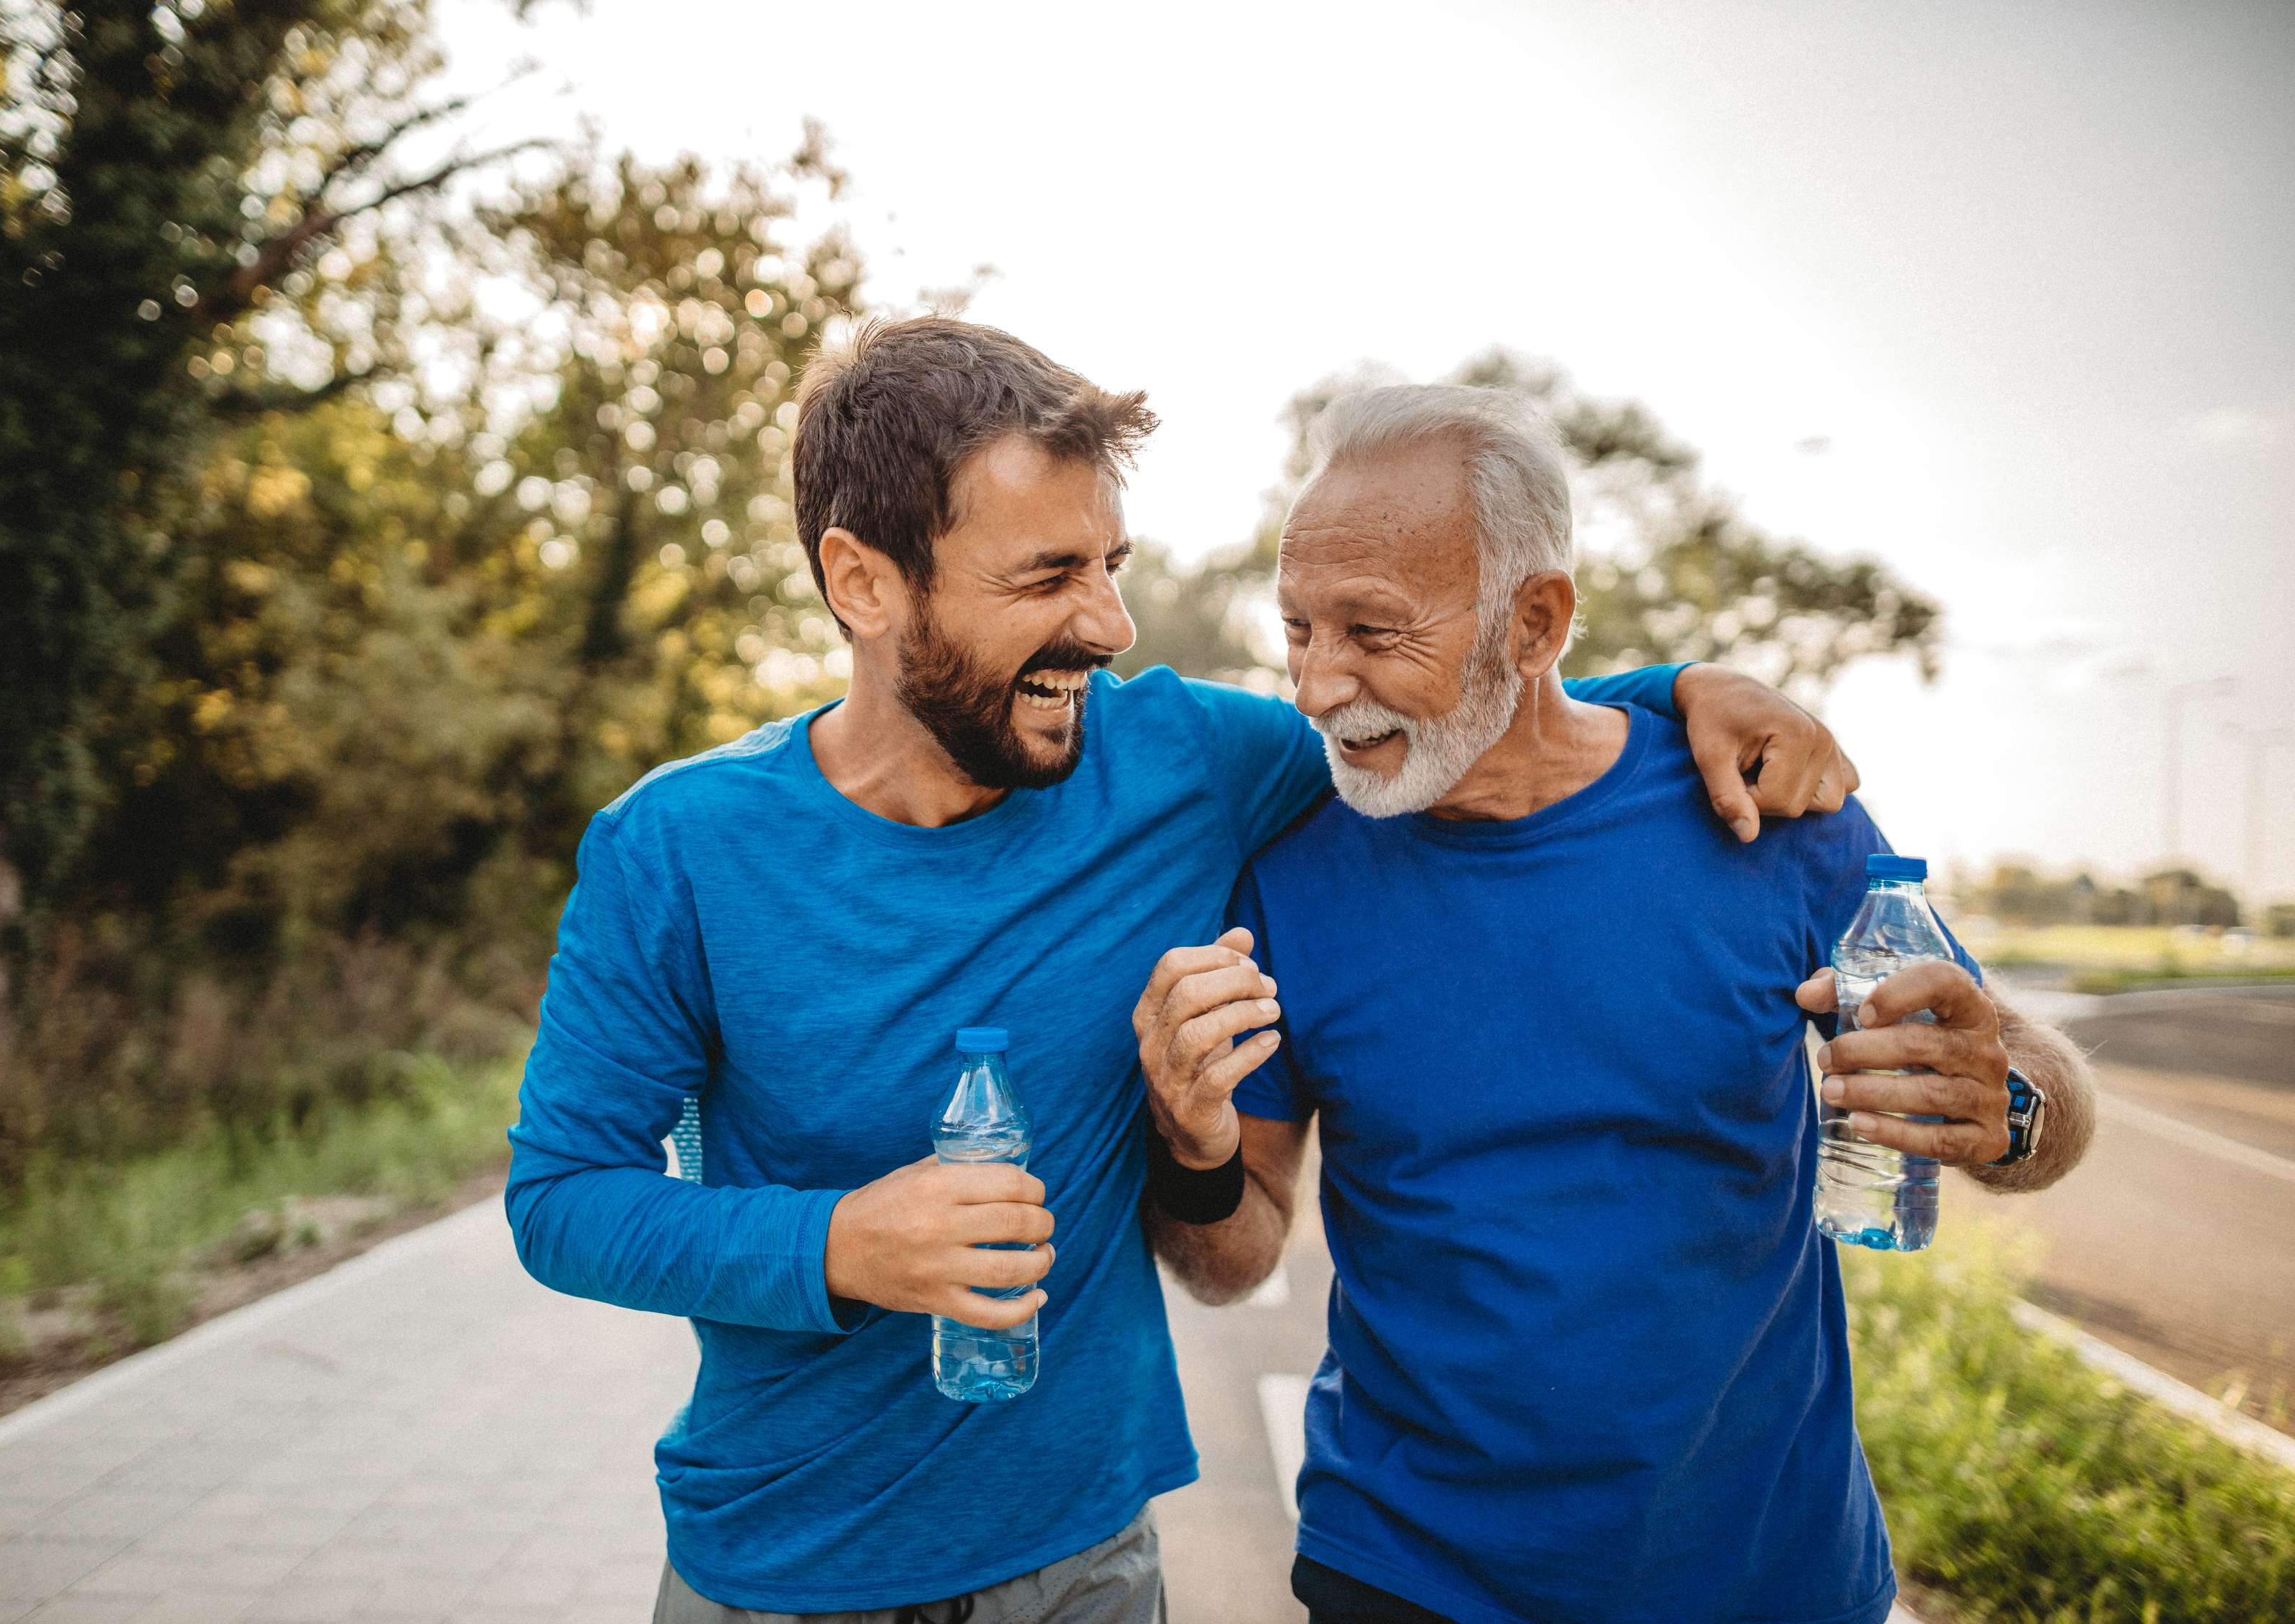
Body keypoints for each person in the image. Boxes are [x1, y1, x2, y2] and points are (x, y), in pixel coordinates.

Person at [505, 320, 1861, 1623]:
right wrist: (837, 1244)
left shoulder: (1184, 767)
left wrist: (1685, 691)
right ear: (864, 583)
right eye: (1045, 578)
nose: (1109, 624)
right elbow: (561, 1199)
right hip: (775, 1560)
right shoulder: (674, 851)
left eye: (1111, 563)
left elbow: (1460, 709)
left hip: (1080, 1563)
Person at [1133, 382, 2095, 1624]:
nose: (1319, 685)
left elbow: (2035, 1103)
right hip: (1408, 1575)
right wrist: (1196, 1150)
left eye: (1372, 633)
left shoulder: (1766, 815)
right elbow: (1234, 1256)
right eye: (1298, 628)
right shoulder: (1290, 870)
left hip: (1770, 1576)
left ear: (1535, 624)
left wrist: (2006, 1110)